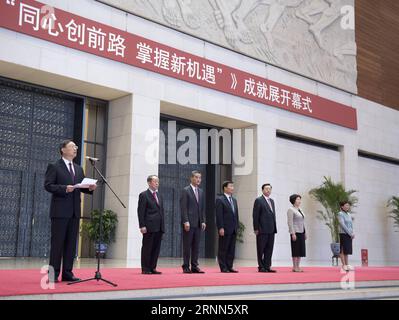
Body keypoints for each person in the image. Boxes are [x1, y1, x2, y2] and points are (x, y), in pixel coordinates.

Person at [44, 140, 97, 283]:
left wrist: (89, 188)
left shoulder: (79, 169)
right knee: (57, 244)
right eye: (72, 147)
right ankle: (53, 274)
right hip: (60, 211)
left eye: (76, 147)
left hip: (74, 211)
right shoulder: (54, 166)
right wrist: (64, 188)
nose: (75, 149)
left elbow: (81, 186)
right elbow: (48, 186)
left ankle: (68, 272)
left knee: (71, 244)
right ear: (63, 149)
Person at [137, 175, 165, 274]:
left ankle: (153, 267)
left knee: (156, 248)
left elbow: (161, 211)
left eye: (158, 181)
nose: (157, 183)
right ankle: (145, 268)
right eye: (155, 181)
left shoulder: (159, 195)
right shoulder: (144, 195)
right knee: (147, 248)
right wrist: (142, 225)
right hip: (149, 226)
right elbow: (141, 211)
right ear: (149, 183)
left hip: (159, 226)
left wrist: (163, 226)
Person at [180, 170, 206, 273]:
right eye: (196, 177)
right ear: (191, 178)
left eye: (200, 178)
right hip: (189, 224)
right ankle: (186, 266)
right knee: (187, 246)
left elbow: (202, 208)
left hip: (198, 223)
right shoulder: (185, 190)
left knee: (196, 246)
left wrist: (203, 221)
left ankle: (194, 266)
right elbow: (183, 208)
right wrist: (185, 221)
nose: (198, 179)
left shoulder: (201, 192)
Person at [252, 183, 277, 273]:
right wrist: (256, 228)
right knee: (261, 249)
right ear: (262, 190)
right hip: (262, 229)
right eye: (266, 189)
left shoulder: (272, 201)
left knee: (269, 249)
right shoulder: (259, 200)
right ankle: (261, 267)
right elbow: (255, 215)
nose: (268, 190)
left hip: (271, 229)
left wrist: (274, 227)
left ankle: (267, 266)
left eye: (270, 189)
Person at [216, 181, 239, 273]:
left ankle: (230, 266)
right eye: (230, 186)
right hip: (225, 228)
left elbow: (236, 215)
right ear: (225, 188)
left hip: (233, 228)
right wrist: (220, 227)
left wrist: (237, 226)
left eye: (233, 186)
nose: (232, 188)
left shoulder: (234, 200)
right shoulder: (220, 199)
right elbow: (219, 215)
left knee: (231, 249)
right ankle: (223, 267)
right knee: (223, 248)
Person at [287, 194, 307, 272]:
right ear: (293, 200)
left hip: (301, 231)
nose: (299, 201)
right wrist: (293, 233)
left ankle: (298, 266)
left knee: (301, 250)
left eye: (300, 199)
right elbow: (290, 222)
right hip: (295, 232)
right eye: (298, 199)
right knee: (295, 249)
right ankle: (294, 267)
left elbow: (302, 222)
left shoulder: (300, 209)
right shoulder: (290, 210)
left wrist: (305, 232)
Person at [338, 200, 355, 272]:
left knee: (347, 251)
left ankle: (347, 265)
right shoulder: (340, 213)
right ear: (342, 206)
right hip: (343, 234)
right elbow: (342, 225)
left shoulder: (349, 214)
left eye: (348, 205)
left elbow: (351, 225)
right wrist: (349, 233)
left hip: (349, 234)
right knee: (342, 250)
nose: (348, 206)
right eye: (346, 205)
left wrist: (352, 233)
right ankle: (343, 265)